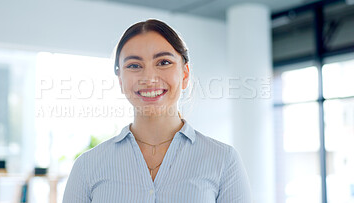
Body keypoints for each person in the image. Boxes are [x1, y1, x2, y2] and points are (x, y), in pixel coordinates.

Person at [63, 19, 252, 202]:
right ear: (121, 81)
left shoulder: (224, 161)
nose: (149, 78)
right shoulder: (87, 166)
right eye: (134, 66)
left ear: (185, 74)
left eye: (163, 63)